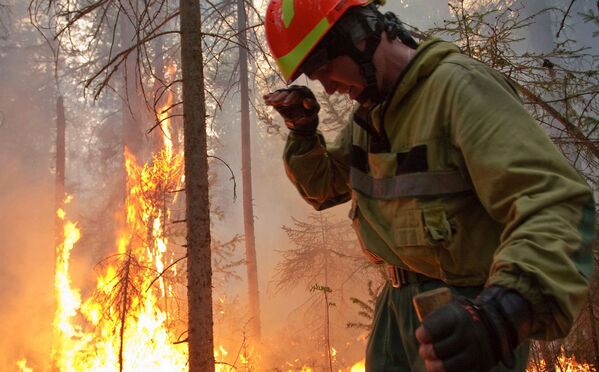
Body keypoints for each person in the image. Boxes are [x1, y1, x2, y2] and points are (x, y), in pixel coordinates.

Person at [262, 0, 596, 371]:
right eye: (313, 75)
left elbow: (553, 203)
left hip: (464, 315)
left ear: (359, 35)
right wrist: (303, 133)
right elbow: (325, 187)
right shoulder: (373, 114)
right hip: (395, 314)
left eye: (324, 67)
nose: (326, 86)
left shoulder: (459, 89)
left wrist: (503, 313)